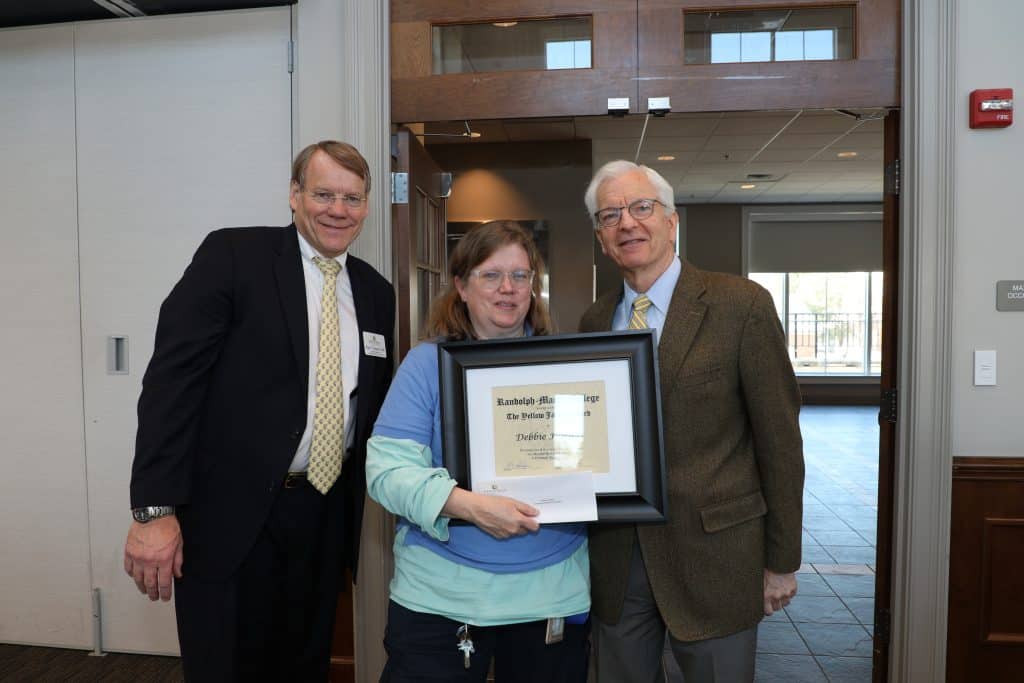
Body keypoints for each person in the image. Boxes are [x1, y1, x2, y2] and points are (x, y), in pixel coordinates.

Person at [123, 140, 395, 681]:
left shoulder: (376, 292)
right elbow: (171, 386)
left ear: (366, 206)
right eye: (323, 194)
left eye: (352, 198)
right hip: (229, 519)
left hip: (323, 514)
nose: (338, 210)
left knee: (305, 664)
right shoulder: (232, 258)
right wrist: (154, 510)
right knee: (224, 667)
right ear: (294, 196)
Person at [579, 160, 804, 683]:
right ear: (600, 236)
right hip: (619, 559)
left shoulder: (739, 305)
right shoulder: (594, 319)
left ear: (672, 220)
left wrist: (782, 560)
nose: (627, 223)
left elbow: (780, 442)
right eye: (610, 215)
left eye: (641, 208)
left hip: (717, 559)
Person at [366, 221, 590, 683]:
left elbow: (593, 464)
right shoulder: (425, 365)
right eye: (491, 275)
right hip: (441, 598)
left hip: (550, 596)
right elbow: (386, 472)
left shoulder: (571, 365)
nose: (507, 289)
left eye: (520, 275)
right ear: (462, 286)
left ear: (534, 286)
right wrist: (471, 507)